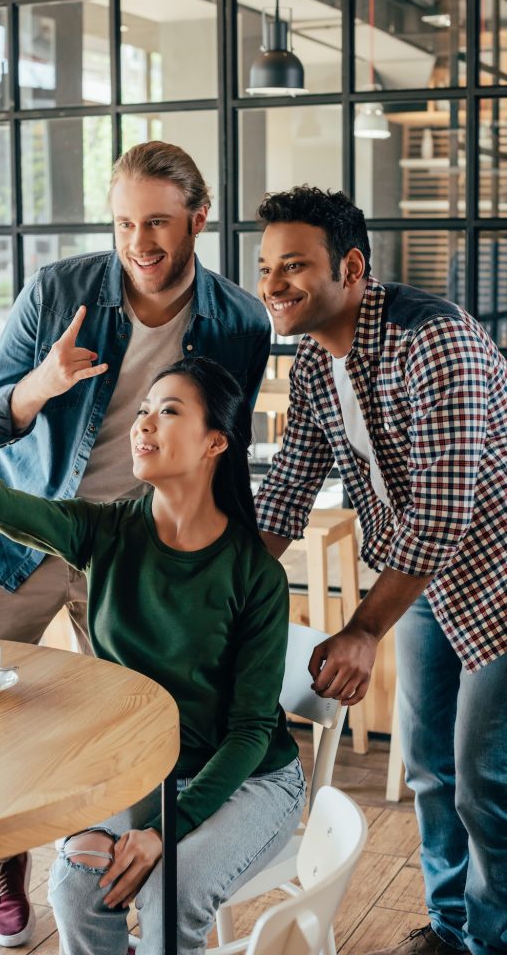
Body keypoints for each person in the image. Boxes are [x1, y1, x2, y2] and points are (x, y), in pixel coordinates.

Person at [0, 354, 306, 955]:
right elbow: (0, 505)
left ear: (215, 443)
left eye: (168, 412)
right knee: (75, 886)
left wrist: (161, 834)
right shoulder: (106, 531)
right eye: (142, 410)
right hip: (149, 769)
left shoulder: (253, 574)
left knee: (167, 892)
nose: (142, 424)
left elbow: (250, 732)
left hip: (249, 779)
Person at [253, 186, 507, 955]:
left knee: (482, 780)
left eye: (294, 266)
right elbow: (290, 484)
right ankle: (450, 929)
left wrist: (364, 627)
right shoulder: (315, 360)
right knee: (429, 765)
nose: (273, 285)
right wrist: (221, 590)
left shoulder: (438, 341)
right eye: (266, 267)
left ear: (351, 267)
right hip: (421, 582)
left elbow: (442, 515)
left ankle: (493, 942)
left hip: (495, 577)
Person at [0, 140, 270, 656]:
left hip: (133, 554)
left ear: (198, 220)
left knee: (127, 720)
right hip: (22, 533)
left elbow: (222, 453)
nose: (138, 242)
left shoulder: (241, 324)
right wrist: (42, 384)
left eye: (157, 222)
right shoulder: (54, 292)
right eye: (125, 223)